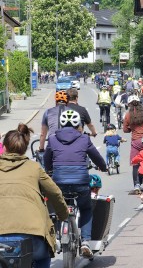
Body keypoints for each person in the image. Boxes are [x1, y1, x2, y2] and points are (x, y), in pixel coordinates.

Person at [0, 123, 68, 268]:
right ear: (25, 148)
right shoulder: (34, 167)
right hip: (32, 233)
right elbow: (55, 192)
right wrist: (63, 215)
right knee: (42, 258)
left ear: (4, 147)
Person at [43, 110, 107, 258]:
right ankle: (85, 241)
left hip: (59, 182)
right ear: (78, 124)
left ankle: (58, 237)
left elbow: (47, 157)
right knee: (86, 208)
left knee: (60, 209)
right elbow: (96, 156)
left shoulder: (52, 139)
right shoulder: (84, 138)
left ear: (61, 123)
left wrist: (49, 170)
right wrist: (103, 167)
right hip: (80, 182)